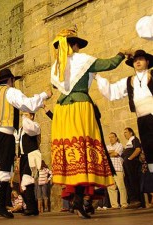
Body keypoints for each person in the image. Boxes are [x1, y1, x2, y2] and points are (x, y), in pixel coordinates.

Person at [49, 28, 132, 219]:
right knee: (85, 152)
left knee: (72, 154)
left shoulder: (56, 66)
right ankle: (80, 200)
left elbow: (57, 85)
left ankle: (80, 200)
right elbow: (109, 64)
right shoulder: (82, 59)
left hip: (62, 110)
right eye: (77, 44)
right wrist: (121, 53)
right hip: (79, 107)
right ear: (75, 44)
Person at [0, 68, 52, 218]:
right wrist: (44, 95)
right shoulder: (10, 91)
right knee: (5, 169)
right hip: (5, 133)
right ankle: (0, 206)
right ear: (10, 80)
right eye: (13, 81)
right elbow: (27, 103)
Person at [95, 49, 153, 174]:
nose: (137, 62)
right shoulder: (129, 81)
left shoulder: (151, 74)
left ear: (147, 61)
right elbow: (112, 91)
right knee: (149, 151)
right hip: (142, 120)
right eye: (135, 60)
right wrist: (97, 77)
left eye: (141, 59)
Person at [17, 112, 41, 216]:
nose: (24, 117)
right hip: (23, 157)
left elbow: (30, 130)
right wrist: (18, 158)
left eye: (26, 115)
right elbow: (19, 144)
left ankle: (32, 208)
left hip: (32, 154)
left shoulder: (35, 126)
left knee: (27, 180)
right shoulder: (20, 130)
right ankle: (32, 207)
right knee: (23, 183)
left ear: (32, 116)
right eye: (23, 115)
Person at [106, 132, 128, 209]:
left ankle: (124, 203)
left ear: (116, 138)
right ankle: (114, 205)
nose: (111, 139)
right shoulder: (107, 146)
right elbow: (104, 155)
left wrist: (109, 153)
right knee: (111, 188)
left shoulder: (120, 145)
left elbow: (116, 154)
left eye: (112, 137)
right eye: (109, 137)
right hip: (109, 170)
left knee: (121, 187)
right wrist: (111, 152)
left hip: (118, 168)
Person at [122, 127, 142, 209]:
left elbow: (137, 150)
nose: (124, 134)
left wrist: (130, 158)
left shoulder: (134, 139)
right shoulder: (128, 142)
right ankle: (132, 201)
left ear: (131, 132)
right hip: (127, 165)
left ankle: (137, 200)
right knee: (127, 181)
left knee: (133, 180)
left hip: (132, 164)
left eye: (126, 132)